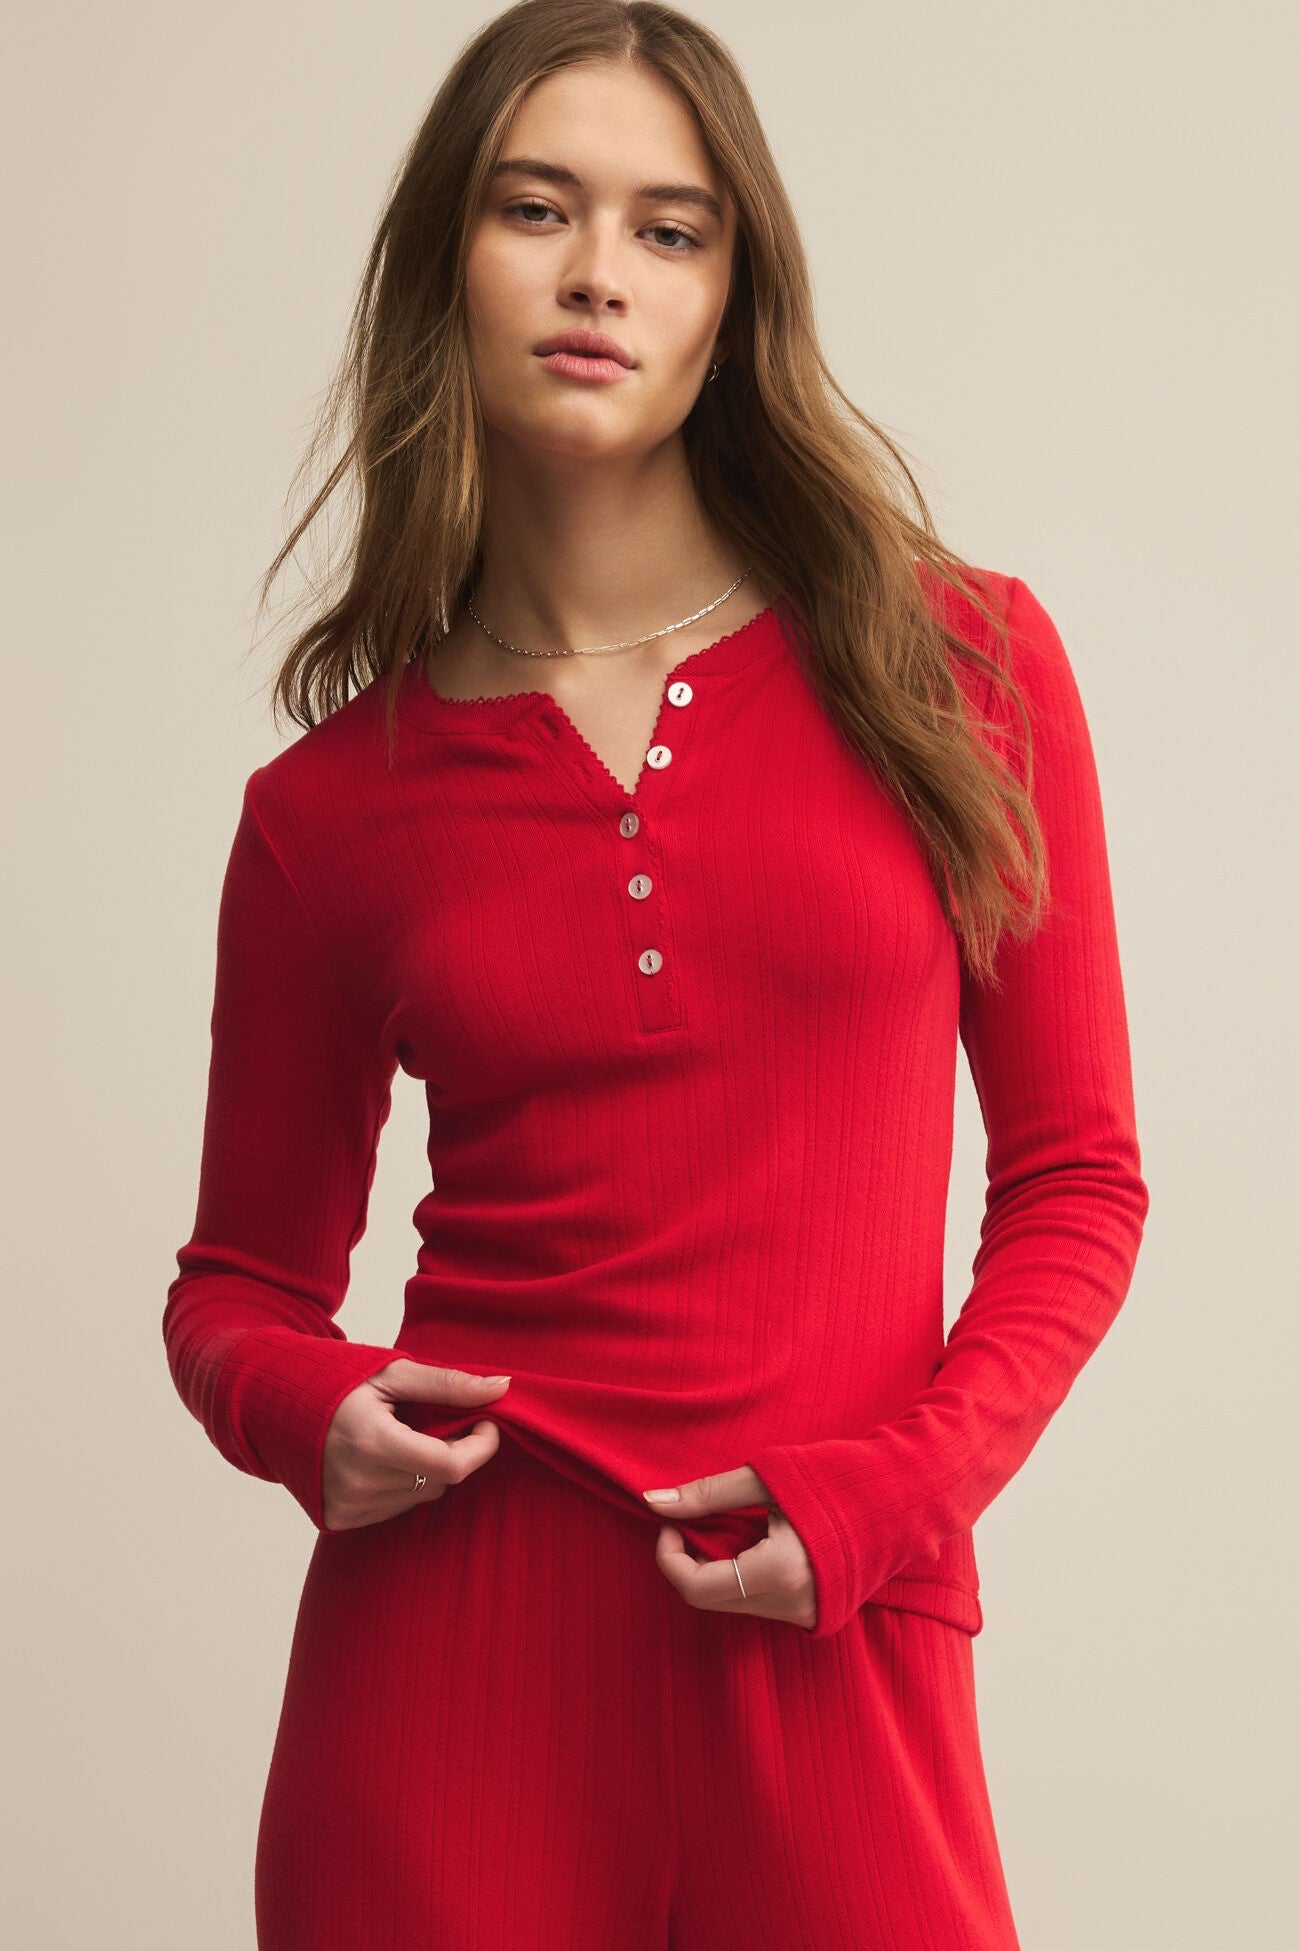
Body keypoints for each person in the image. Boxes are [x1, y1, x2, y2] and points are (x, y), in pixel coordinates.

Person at [162, 4, 1149, 1947]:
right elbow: (236, 1290)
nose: (598, 271)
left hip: (841, 1635)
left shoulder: (958, 668)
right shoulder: (325, 812)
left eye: (668, 227)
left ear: (730, 291)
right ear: (451, 256)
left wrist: (891, 1497)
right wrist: (313, 1407)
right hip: (450, 1678)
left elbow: (1075, 1181)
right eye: (538, 207)